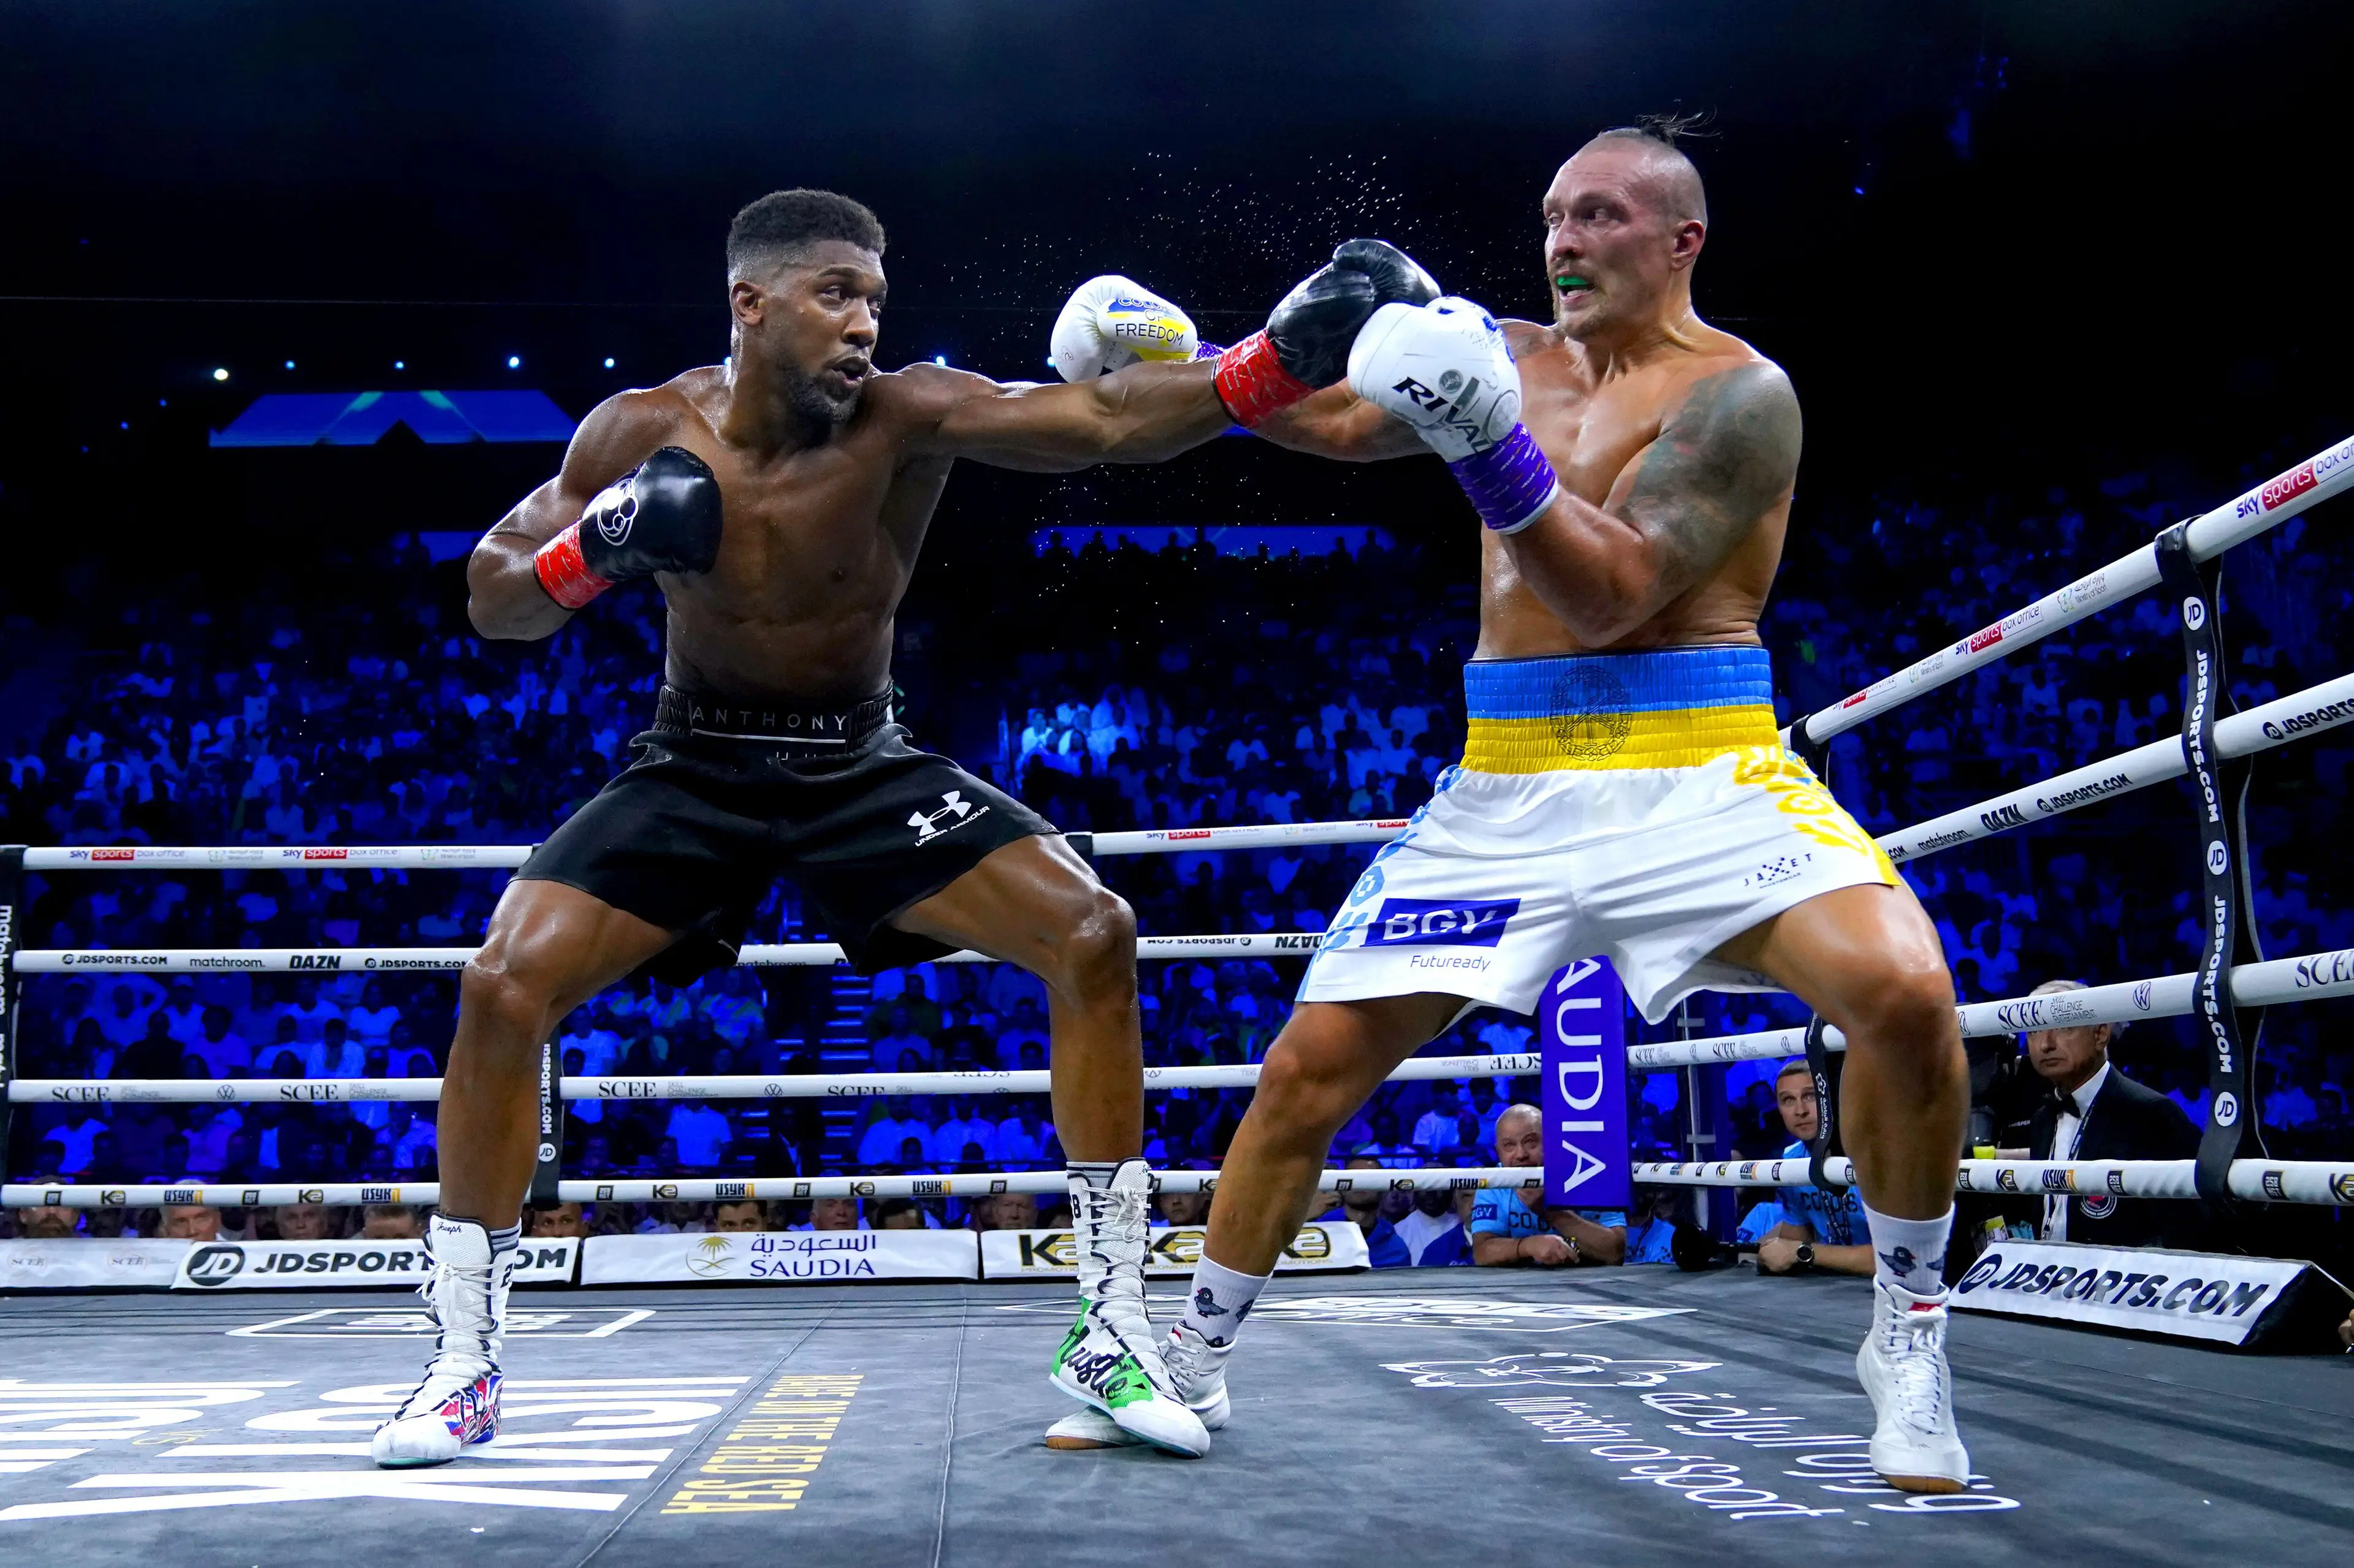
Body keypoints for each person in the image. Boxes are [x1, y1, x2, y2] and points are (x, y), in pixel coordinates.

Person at [367, 199, 1434, 1470]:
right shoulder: (641, 428)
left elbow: (1099, 420)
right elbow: (495, 599)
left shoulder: (910, 410)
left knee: (1092, 929)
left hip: (859, 759)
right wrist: (590, 553)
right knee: (501, 981)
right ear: (750, 303)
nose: (865, 321)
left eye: (874, 294)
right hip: (692, 762)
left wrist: (1274, 358)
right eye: (834, 293)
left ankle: (1112, 1321)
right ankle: (462, 1362)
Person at [1140, 122, 1973, 1492]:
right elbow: (1335, 421)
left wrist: (1483, 444)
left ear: (1682, 240)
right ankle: (1192, 1352)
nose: (1565, 243)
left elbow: (1614, 592)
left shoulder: (1744, 394)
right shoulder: (1509, 354)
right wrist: (1210, 356)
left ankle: (1910, 1330)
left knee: (1903, 991)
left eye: (1600, 218)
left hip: (1701, 762)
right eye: (1552, 219)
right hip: (1509, 781)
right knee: (1306, 1070)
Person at [2022, 980, 2200, 1247]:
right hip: (2050, 1280)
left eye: (2062, 1026)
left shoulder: (2150, 1113)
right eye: (2035, 1030)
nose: (2046, 1044)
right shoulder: (2042, 1121)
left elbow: (2187, 1225)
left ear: (2100, 1034)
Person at [1465, 1105, 1629, 1268]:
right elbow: (1482, 1252)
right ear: (1498, 1151)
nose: (1521, 1154)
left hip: (1592, 1283)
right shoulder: (1495, 1182)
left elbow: (1614, 1252)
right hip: (1521, 1287)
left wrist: (1552, 1212)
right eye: (1509, 1145)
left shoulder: (1591, 1172)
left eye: (1531, 1142)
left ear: (1550, 1141)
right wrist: (1529, 1246)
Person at [1752, 1060, 1875, 1276]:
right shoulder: (1792, 1160)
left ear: (1831, 1098)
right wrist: (1759, 1253)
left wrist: (1805, 1253)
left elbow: (1898, 1260)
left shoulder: (1873, 1153)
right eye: (1788, 1100)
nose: (1800, 1111)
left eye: (1811, 1096)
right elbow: (1796, 1234)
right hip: (1830, 1289)